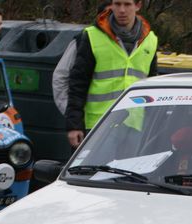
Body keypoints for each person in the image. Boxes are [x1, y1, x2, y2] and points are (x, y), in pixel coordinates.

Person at [65, 0, 158, 148]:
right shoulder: (92, 36)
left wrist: (152, 125)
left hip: (134, 126)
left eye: (127, 4)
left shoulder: (150, 40)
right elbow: (77, 84)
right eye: (117, 4)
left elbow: (153, 86)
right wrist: (74, 125)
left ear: (138, 6)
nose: (122, 10)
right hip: (98, 125)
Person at [52, 1, 112, 115]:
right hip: (90, 123)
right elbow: (60, 76)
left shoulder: (131, 43)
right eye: (107, 14)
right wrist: (71, 112)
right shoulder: (84, 40)